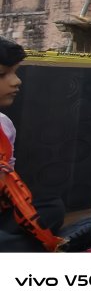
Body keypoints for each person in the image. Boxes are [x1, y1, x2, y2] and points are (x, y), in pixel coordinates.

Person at [0, 38, 66, 252]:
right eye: (3, 75)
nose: (16, 81)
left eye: (15, 72)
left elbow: (8, 179)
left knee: (51, 207)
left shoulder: (5, 125)